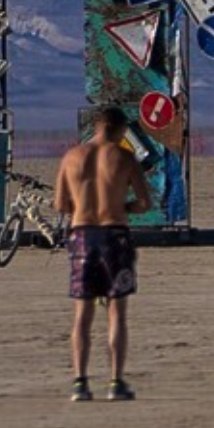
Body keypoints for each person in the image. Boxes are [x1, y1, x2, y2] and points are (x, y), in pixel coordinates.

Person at [55, 105, 154, 402]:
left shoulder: (72, 157)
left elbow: (60, 203)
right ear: (121, 128)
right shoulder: (125, 158)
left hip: (83, 235)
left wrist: (82, 210)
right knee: (116, 313)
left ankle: (80, 383)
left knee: (82, 315)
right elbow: (145, 203)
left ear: (95, 126)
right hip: (115, 236)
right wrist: (121, 207)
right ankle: (115, 381)